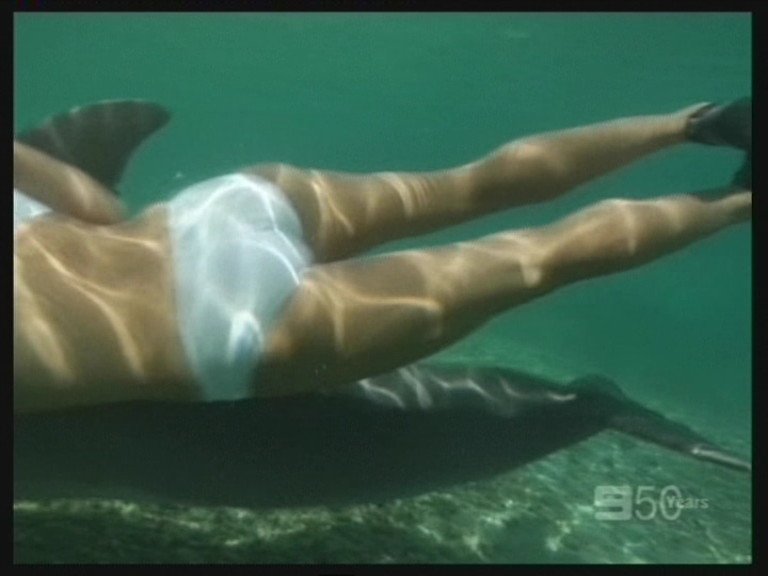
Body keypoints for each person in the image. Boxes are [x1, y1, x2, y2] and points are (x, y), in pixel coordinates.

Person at [13, 98, 752, 413]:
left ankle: (743, 201)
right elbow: (100, 209)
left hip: (213, 333)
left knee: (545, 257)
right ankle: (700, 121)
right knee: (471, 184)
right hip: (213, 215)